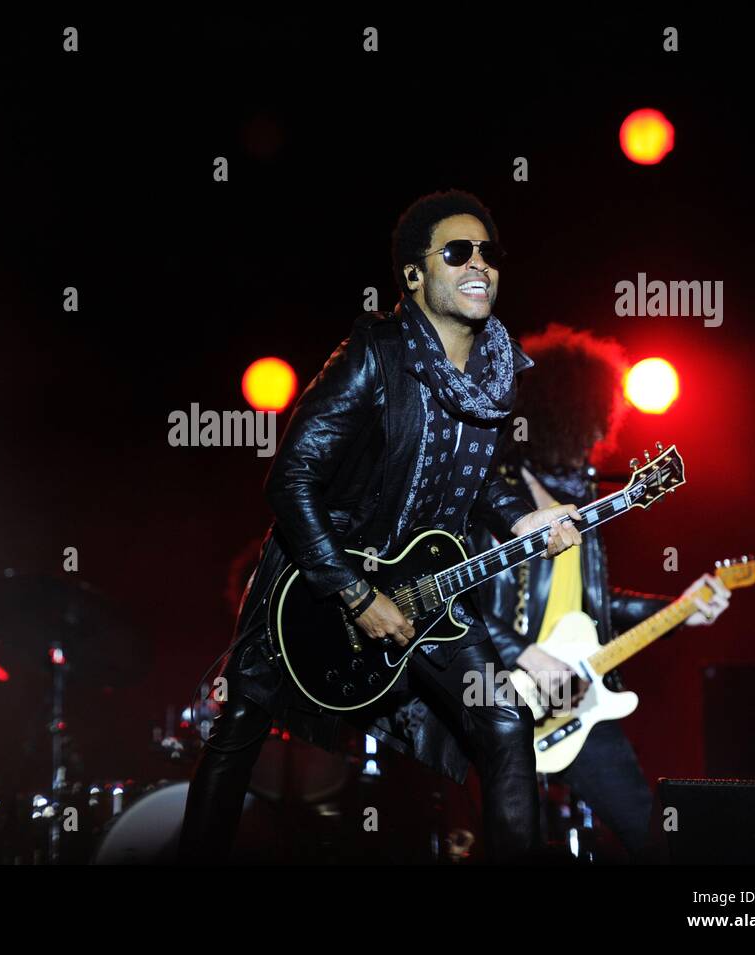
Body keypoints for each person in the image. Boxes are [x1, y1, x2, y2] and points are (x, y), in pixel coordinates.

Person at [177, 189, 583, 864]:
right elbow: (290, 480)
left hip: (427, 588)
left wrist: (522, 515)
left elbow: (473, 487)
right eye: (458, 251)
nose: (479, 263)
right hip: (317, 580)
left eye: (490, 251)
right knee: (242, 724)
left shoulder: (498, 371)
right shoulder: (373, 353)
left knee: (505, 722)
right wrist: (355, 593)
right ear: (415, 275)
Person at [474, 323, 730, 860]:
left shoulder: (584, 498)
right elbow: (464, 597)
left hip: (578, 700)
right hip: (497, 696)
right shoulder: (496, 493)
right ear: (559, 415)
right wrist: (525, 655)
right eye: (591, 418)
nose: (600, 434)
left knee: (652, 835)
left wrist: (684, 608)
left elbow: (597, 602)